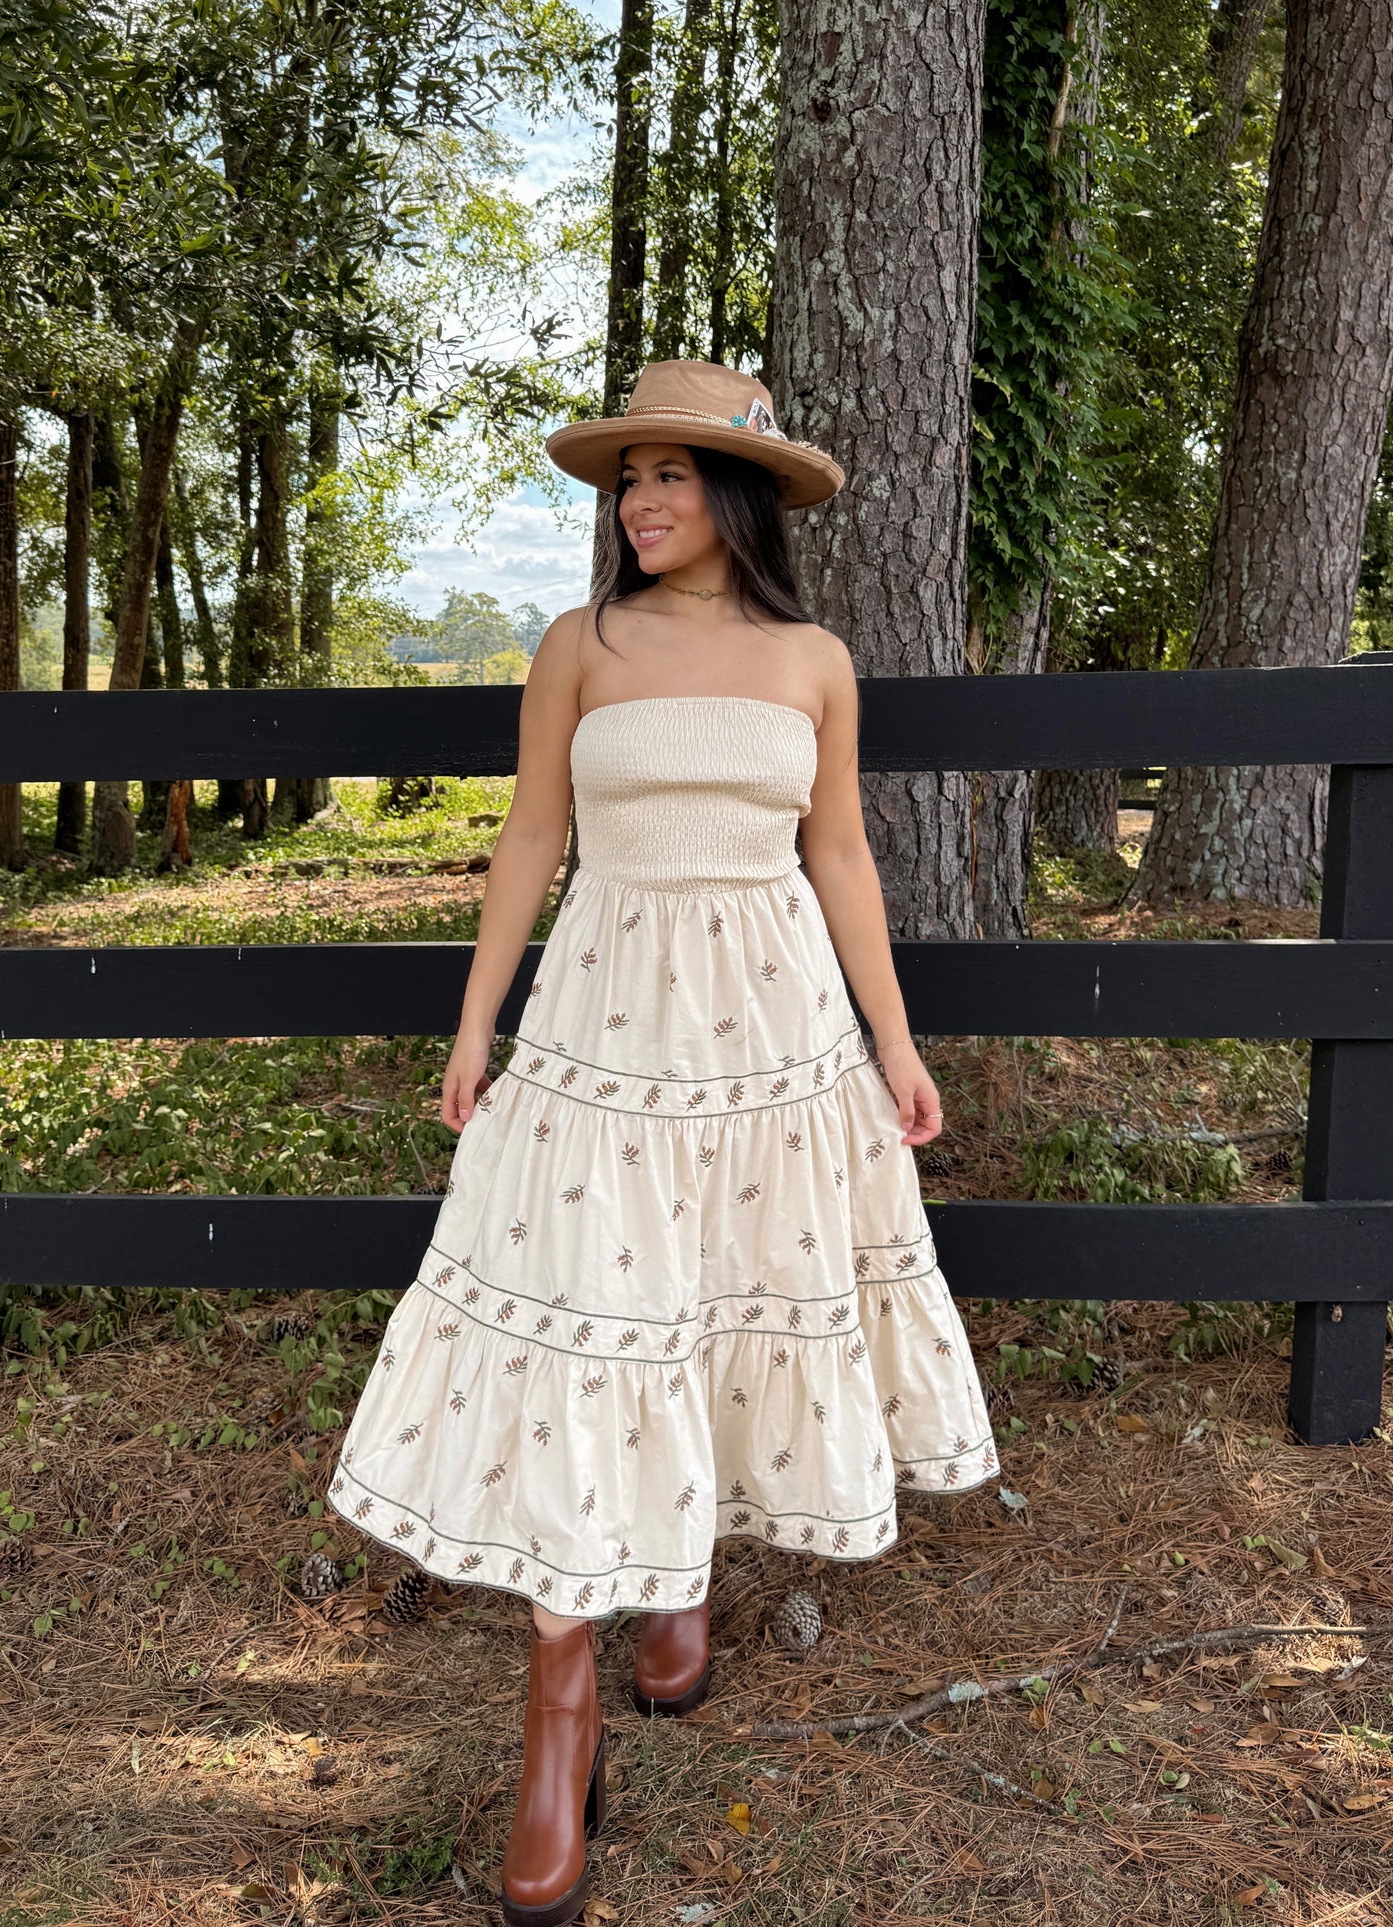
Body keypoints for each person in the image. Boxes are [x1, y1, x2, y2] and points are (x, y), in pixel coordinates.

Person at [325, 358, 998, 1927]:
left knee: (722, 1291)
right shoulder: (581, 644)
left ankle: (679, 1571)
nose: (638, 503)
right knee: (595, 1325)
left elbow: (836, 851)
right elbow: (533, 837)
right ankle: (560, 1717)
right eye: (626, 478)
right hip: (605, 1019)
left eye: (671, 476)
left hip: (768, 1027)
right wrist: (475, 1019)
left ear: (738, 495)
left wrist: (893, 1044)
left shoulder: (815, 659)